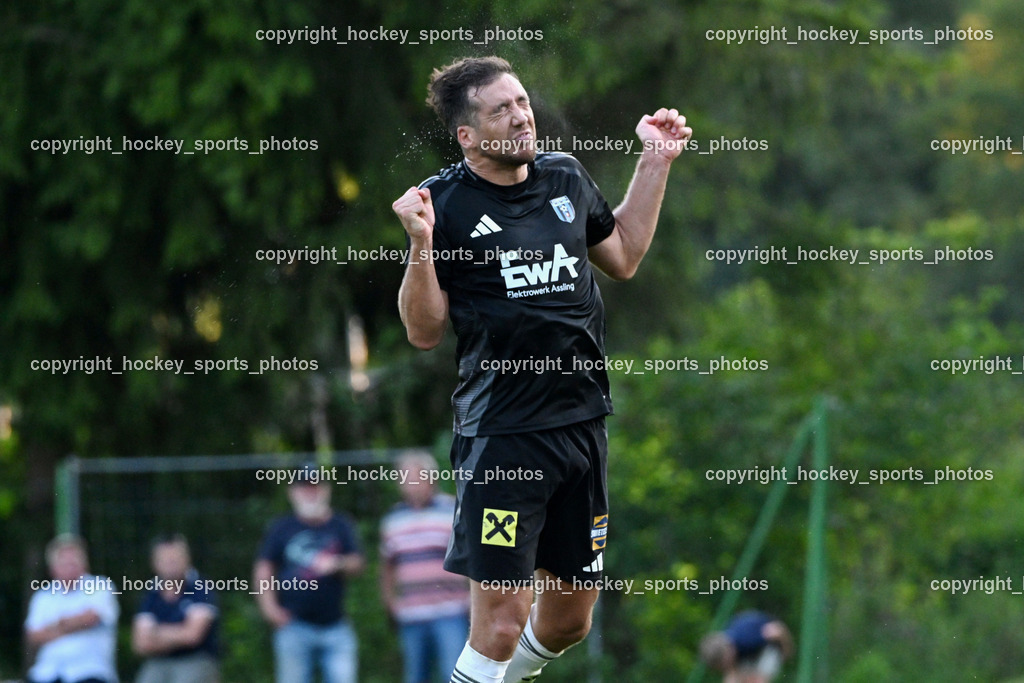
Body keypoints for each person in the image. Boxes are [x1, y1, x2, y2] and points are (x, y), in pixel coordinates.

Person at [392, 56, 691, 683]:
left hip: (582, 427)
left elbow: (626, 255)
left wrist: (655, 161)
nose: (521, 116)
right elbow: (423, 332)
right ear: (467, 136)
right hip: (503, 435)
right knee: (501, 620)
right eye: (499, 110)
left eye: (521, 102)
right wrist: (421, 247)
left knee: (567, 622)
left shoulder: (565, 180)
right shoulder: (441, 204)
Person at [254, 461, 365, 683]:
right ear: (292, 492)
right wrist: (269, 609)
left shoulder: (340, 524)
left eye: (315, 485)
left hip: (336, 627)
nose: (310, 491)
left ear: (325, 489)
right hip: (294, 626)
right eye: (304, 486)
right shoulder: (281, 528)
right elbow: (263, 570)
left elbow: (358, 563)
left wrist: (338, 564)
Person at [380, 451, 470, 683]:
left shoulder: (452, 509)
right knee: (415, 676)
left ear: (431, 478)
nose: (409, 485)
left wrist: (473, 599)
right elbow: (387, 566)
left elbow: (471, 557)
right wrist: (390, 602)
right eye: (403, 478)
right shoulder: (392, 519)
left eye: (414, 478)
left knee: (453, 674)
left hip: (450, 611)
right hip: (411, 614)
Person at [24, 534, 120, 683]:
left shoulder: (101, 586)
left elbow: (90, 619)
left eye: (74, 560)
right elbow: (33, 635)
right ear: (53, 568)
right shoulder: (43, 596)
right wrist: (73, 624)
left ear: (84, 563)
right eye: (64, 561)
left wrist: (53, 627)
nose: (69, 565)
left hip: (90, 671)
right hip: (47, 673)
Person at [131, 534, 219, 683]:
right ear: (155, 563)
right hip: (158, 663)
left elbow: (193, 636)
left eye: (175, 559)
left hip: (196, 661)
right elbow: (140, 644)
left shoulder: (201, 588)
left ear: (187, 558)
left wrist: (156, 632)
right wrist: (179, 632)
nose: (171, 564)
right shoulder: (151, 594)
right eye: (166, 560)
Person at [699, 611, 794, 683]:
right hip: (748, 655)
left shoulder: (747, 638)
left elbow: (778, 630)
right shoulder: (725, 646)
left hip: (769, 649)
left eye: (725, 663)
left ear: (729, 650)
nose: (724, 667)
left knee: (757, 680)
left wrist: (786, 652)